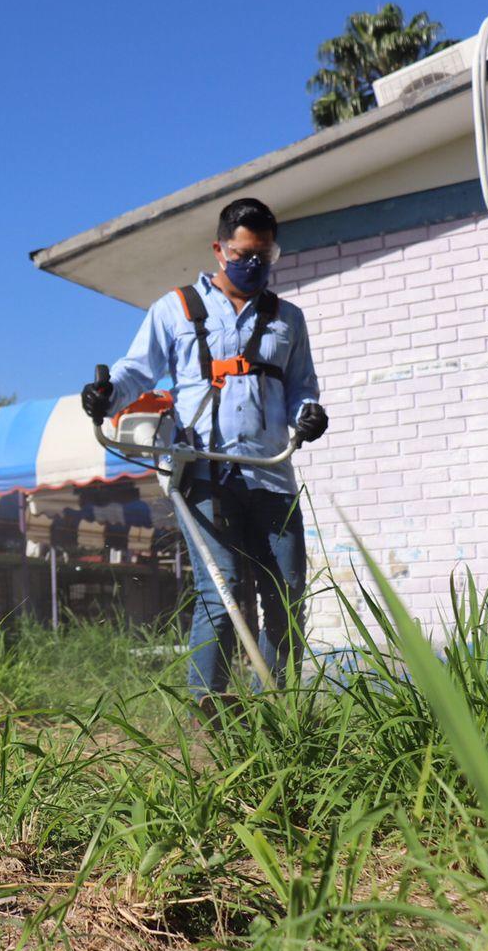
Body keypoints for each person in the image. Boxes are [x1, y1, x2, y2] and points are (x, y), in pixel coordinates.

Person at [81, 197, 328, 718]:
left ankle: (276, 711)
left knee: (286, 594)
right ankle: (207, 711)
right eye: (243, 254)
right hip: (204, 473)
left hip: (271, 475)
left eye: (265, 255)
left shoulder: (289, 319)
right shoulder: (175, 309)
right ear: (219, 250)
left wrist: (309, 414)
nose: (254, 264)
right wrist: (106, 396)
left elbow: (302, 388)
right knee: (223, 588)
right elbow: (135, 371)